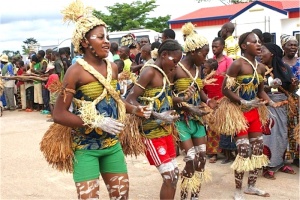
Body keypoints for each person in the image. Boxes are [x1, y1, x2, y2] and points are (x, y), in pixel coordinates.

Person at [53, 1, 151, 199]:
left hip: (111, 145)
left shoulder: (112, 67)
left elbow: (115, 99)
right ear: (85, 42)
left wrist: (135, 110)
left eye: (106, 37)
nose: (106, 41)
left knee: (121, 196)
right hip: (85, 148)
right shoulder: (75, 71)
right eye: (100, 37)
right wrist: (95, 121)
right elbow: (59, 114)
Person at [222, 32, 277, 200]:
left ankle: (251, 186)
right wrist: (243, 102)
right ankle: (238, 190)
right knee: (244, 152)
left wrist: (272, 103)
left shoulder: (260, 67)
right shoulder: (237, 64)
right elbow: (225, 89)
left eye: (259, 42)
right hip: (239, 114)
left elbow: (260, 91)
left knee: (258, 150)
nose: (258, 44)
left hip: (254, 114)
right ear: (244, 46)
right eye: (254, 42)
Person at [126, 39, 183, 200]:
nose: (176, 65)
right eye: (175, 61)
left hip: (165, 131)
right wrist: (158, 115)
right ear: (164, 55)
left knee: (174, 174)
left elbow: (166, 98)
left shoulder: (164, 73)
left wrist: (185, 104)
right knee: (169, 176)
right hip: (151, 133)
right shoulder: (149, 72)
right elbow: (130, 99)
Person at [173, 22, 216, 199]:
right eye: (204, 54)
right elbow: (167, 97)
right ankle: (184, 196)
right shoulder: (175, 69)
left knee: (201, 159)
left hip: (197, 121)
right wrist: (184, 102)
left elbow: (199, 90)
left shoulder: (198, 69)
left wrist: (208, 101)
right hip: (181, 121)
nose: (206, 59)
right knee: (190, 160)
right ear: (193, 52)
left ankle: (195, 196)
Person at [260, 43, 298, 179]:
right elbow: (255, 88)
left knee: (282, 135)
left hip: (282, 106)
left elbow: (290, 90)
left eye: (262, 50)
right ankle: (267, 165)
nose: (260, 53)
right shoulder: (259, 68)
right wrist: (269, 87)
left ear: (272, 53)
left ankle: (280, 163)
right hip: (266, 106)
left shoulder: (285, 68)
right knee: (268, 136)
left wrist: (293, 85)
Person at [211, 37, 237, 163]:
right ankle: (216, 153)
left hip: (225, 98)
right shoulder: (211, 61)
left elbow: (230, 78)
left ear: (222, 47)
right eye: (212, 46)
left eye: (216, 46)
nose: (214, 48)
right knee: (214, 128)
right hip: (214, 98)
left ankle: (230, 153)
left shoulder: (228, 60)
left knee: (227, 128)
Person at [280, 34, 300, 168]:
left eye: (295, 45)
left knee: (298, 127)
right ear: (283, 47)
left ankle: (298, 156)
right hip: (284, 98)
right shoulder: (280, 63)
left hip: (298, 98)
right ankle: (285, 156)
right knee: (287, 127)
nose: (293, 47)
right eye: (290, 45)